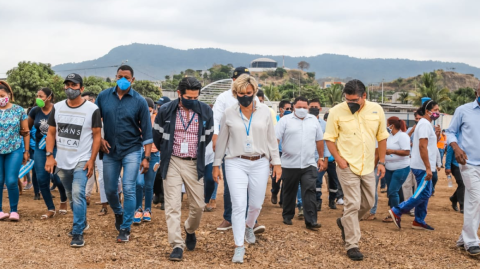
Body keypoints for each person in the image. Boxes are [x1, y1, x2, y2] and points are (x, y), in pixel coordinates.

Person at [213, 74, 281, 264]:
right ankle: (238, 246)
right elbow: (222, 141)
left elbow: (271, 139)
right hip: (236, 162)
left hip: (260, 162)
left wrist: (277, 162)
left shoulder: (266, 112)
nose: (245, 96)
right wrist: (216, 164)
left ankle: (249, 225)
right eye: (241, 93)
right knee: (238, 204)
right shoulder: (229, 112)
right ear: (235, 93)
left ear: (254, 92)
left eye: (248, 93)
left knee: (256, 204)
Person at [324, 79, 389, 261]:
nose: (350, 103)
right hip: (346, 165)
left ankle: (344, 222)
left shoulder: (377, 110)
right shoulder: (336, 111)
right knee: (352, 203)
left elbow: (382, 137)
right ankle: (352, 244)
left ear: (364, 96)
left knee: (368, 203)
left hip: (368, 165)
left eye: (354, 100)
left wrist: (381, 162)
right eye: (348, 100)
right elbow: (329, 138)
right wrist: (338, 159)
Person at [153, 77, 214, 261]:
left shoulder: (205, 110)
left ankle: (189, 229)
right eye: (188, 97)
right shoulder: (165, 110)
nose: (192, 101)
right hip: (172, 160)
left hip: (194, 162)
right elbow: (157, 135)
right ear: (179, 94)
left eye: (195, 97)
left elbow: (208, 135)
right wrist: (166, 152)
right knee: (172, 205)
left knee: (199, 206)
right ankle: (176, 245)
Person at [95, 65, 153, 242]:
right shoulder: (103, 97)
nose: (123, 79)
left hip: (132, 150)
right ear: (115, 77)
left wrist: (147, 157)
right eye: (120, 76)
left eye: (126, 77)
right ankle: (118, 213)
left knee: (128, 188)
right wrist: (100, 140)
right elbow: (95, 123)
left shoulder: (140, 101)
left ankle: (125, 228)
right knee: (110, 189)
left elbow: (147, 131)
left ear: (132, 80)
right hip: (110, 150)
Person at [44, 73, 102, 247]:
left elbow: (97, 136)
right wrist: (49, 156)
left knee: (78, 194)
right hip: (62, 160)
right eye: (67, 85)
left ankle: (77, 232)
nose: (70, 88)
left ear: (81, 89)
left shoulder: (92, 109)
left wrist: (92, 160)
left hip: (82, 160)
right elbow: (51, 133)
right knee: (71, 195)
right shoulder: (58, 107)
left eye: (74, 85)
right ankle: (82, 222)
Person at [212, 66, 264, 233]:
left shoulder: (256, 99)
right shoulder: (223, 98)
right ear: (233, 81)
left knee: (252, 186)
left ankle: (251, 221)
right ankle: (229, 217)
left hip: (253, 149)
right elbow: (216, 120)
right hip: (231, 148)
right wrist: (216, 139)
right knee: (231, 186)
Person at [389, 100, 440, 232]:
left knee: (425, 193)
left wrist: (438, 136)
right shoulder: (424, 124)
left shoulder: (426, 125)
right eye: (435, 110)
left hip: (424, 165)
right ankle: (397, 210)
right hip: (422, 166)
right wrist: (428, 167)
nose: (437, 113)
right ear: (428, 111)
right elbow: (422, 146)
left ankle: (419, 220)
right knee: (424, 193)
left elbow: (429, 145)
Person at [276, 96, 324, 230]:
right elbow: (276, 139)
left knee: (309, 191)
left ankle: (311, 221)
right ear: (293, 107)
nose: (302, 109)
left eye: (304, 107)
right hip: (289, 164)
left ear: (308, 108)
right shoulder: (285, 121)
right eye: (299, 107)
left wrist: (320, 158)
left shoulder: (313, 121)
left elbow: (319, 140)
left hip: (309, 163)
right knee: (289, 191)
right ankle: (287, 215)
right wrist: (275, 160)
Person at [445, 84, 480, 255]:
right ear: (476, 93)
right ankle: (472, 242)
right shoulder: (463, 110)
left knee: (476, 200)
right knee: (475, 198)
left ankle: (463, 238)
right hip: (469, 163)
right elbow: (450, 132)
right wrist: (456, 147)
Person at [28, 87, 68, 219]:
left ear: (49, 97)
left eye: (41, 96)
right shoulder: (35, 111)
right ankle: (50, 208)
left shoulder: (58, 110)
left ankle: (63, 199)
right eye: (37, 96)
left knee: (58, 178)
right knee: (41, 179)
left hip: (57, 148)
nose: (38, 98)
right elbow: (27, 127)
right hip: (40, 148)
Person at [0, 80, 29, 221]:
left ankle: (13, 211)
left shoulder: (18, 110)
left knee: (11, 181)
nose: (0, 98)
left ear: (9, 94)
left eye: (2, 95)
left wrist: (26, 151)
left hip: (14, 150)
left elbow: (25, 132)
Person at [133, 97, 161, 224]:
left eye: (150, 110)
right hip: (138, 152)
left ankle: (147, 210)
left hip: (154, 154)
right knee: (139, 183)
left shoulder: (157, 120)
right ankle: (138, 208)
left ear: (153, 110)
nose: (148, 112)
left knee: (149, 184)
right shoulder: (135, 118)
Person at [308, 98, 338, 211]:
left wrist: (325, 158)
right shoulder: (305, 123)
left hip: (329, 159)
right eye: (311, 107)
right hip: (313, 159)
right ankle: (317, 201)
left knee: (334, 182)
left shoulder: (326, 125)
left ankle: (332, 200)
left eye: (316, 107)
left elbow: (327, 142)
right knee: (317, 181)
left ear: (320, 109)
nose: (313, 109)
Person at [380, 117, 411, 222]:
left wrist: (392, 151)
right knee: (391, 191)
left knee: (393, 191)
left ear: (391, 125)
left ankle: (396, 215)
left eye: (387, 124)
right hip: (389, 168)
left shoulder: (402, 136)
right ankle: (393, 212)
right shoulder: (390, 136)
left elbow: (407, 152)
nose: (386, 126)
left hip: (401, 168)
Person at [271, 100, 292, 205]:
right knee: (276, 176)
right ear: (281, 109)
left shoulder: (293, 120)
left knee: (286, 176)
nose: (289, 111)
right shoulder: (275, 120)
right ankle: (274, 192)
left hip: (288, 152)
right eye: (287, 108)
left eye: (290, 109)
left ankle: (283, 200)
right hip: (278, 152)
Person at [153, 96, 171, 210]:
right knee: (157, 176)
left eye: (161, 105)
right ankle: (158, 194)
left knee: (166, 176)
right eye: (158, 105)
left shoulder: (170, 118)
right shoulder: (156, 117)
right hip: (157, 150)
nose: (159, 107)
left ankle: (165, 199)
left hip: (167, 152)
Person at [445, 144, 464, 213]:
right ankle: (462, 205)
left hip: (465, 165)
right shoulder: (454, 139)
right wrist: (447, 167)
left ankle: (454, 198)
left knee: (464, 184)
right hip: (455, 165)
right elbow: (449, 154)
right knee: (461, 183)